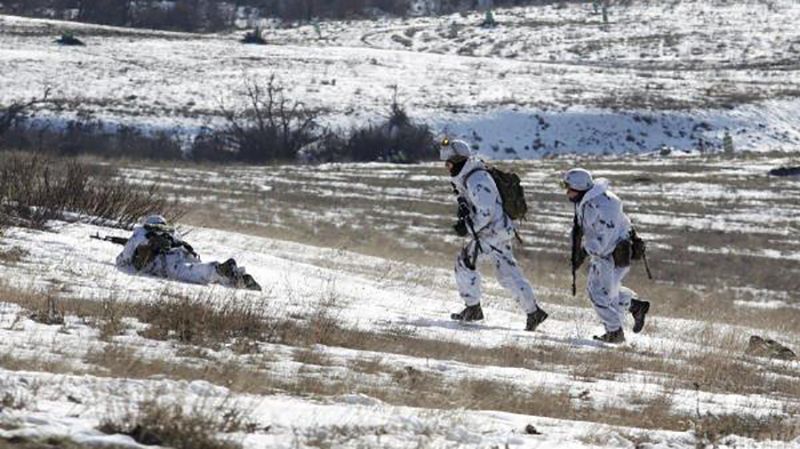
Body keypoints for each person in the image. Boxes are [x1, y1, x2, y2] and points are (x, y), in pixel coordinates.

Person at [441, 138, 548, 331]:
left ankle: (473, 308)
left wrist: (467, 226)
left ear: (458, 161)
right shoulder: (469, 176)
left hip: (491, 232)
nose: (446, 167)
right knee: (507, 274)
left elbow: (486, 211)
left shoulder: (476, 179)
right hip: (500, 231)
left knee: (464, 263)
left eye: (448, 163)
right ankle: (534, 312)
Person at [562, 168, 650, 343]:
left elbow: (604, 239)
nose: (567, 192)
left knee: (598, 294)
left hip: (612, 255)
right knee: (608, 293)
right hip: (605, 254)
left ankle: (615, 332)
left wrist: (584, 252)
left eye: (569, 188)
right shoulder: (589, 201)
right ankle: (635, 306)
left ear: (580, 187)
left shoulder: (604, 205)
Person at [116, 215, 261, 291]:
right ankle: (236, 278)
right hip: (184, 252)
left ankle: (217, 269)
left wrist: (122, 261)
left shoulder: (141, 233)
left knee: (190, 272)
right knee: (195, 268)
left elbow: (123, 258)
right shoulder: (172, 231)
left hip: (166, 261)